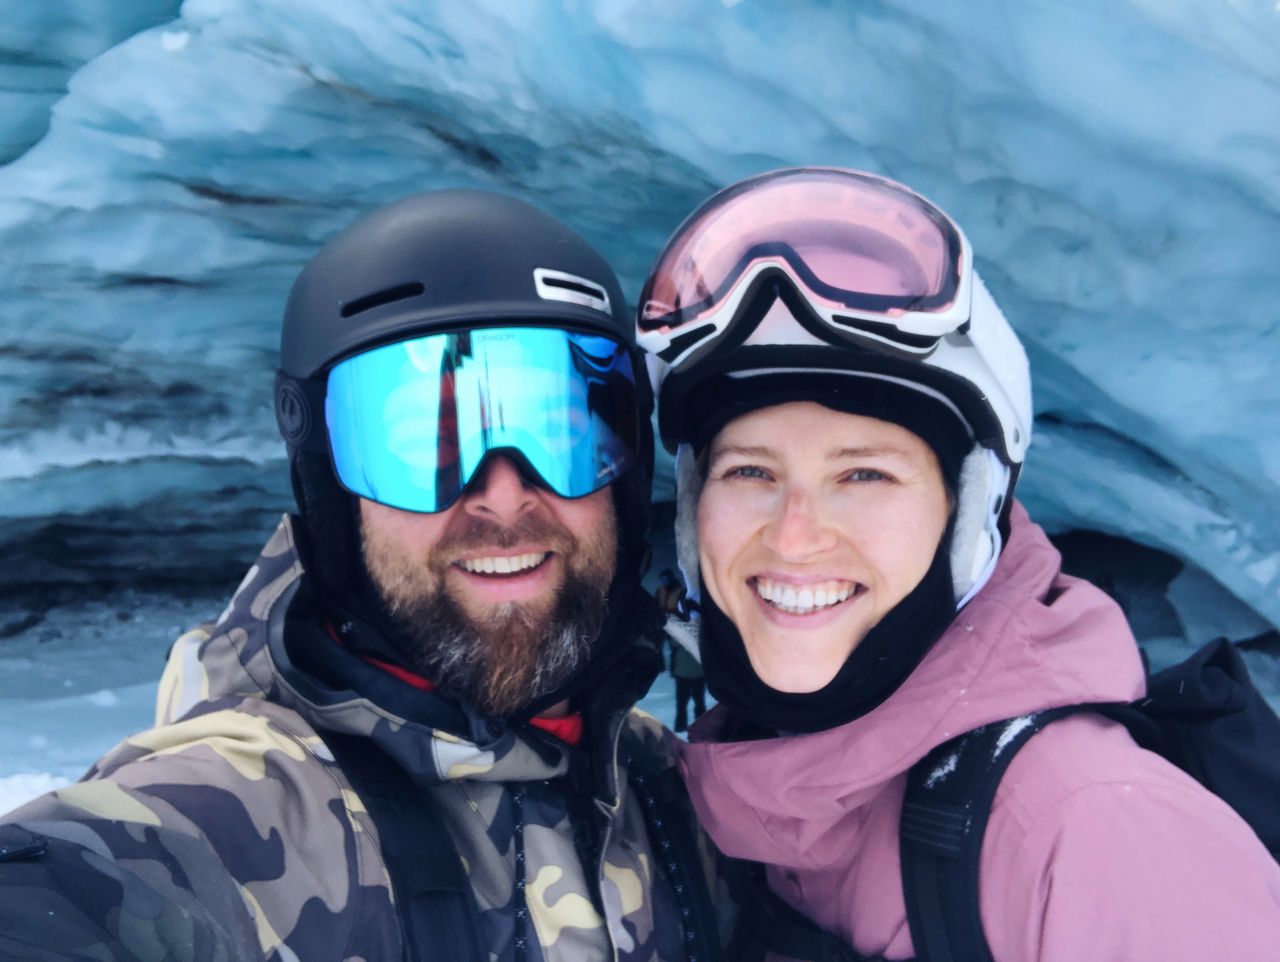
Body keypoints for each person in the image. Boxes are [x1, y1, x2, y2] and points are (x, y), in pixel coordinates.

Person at [0, 190, 723, 961]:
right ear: (332, 489)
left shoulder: (675, 796)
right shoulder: (241, 812)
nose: (504, 493)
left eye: (562, 432)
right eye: (419, 440)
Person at [635, 167, 1280, 960]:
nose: (795, 536)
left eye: (863, 474)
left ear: (969, 513)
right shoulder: (741, 801)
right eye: (750, 473)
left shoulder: (1092, 833)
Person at [656, 569, 707, 732]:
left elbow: (676, 647)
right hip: (697, 672)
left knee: (683, 702)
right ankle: (701, 729)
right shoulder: (705, 629)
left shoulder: (682, 629)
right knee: (698, 703)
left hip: (684, 673)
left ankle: (681, 728)